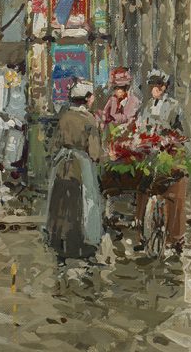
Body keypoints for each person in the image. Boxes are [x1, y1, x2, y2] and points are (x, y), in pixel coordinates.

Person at [44, 80, 103, 260]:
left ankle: (58, 237)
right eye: (91, 96)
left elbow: (55, 144)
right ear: (86, 99)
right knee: (85, 199)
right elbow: (94, 152)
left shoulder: (65, 116)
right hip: (80, 165)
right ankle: (82, 240)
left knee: (61, 199)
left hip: (63, 164)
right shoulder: (89, 120)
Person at [135, 69, 189, 251]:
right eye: (152, 86)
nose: (155, 90)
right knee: (142, 189)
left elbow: (183, 132)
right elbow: (139, 127)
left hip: (170, 154)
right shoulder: (146, 107)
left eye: (158, 86)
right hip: (150, 154)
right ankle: (141, 233)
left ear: (164, 87)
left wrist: (170, 138)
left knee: (174, 191)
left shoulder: (175, 107)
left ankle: (176, 237)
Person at [0, 58, 28, 186]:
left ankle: (11, 168)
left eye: (15, 68)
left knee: (14, 145)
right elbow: (5, 99)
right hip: (13, 118)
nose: (13, 71)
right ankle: (9, 168)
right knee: (11, 144)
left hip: (18, 118)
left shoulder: (22, 82)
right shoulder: (10, 81)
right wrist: (5, 113)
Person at [98, 67, 140, 134]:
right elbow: (105, 112)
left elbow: (131, 121)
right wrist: (103, 122)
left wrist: (119, 127)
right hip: (112, 131)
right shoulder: (113, 99)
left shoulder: (133, 101)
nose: (116, 92)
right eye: (115, 89)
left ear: (126, 89)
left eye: (119, 89)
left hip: (127, 133)